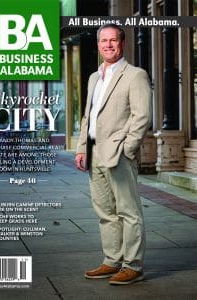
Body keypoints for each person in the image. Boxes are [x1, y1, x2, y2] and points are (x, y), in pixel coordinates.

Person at [75, 24, 152, 285]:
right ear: (98, 45)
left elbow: (141, 117)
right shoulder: (94, 78)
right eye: (103, 41)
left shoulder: (135, 75)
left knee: (129, 212)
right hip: (95, 152)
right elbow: (88, 116)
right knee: (105, 212)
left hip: (118, 153)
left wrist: (127, 150)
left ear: (123, 43)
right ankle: (112, 261)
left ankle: (133, 265)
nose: (108, 45)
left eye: (113, 40)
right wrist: (81, 148)